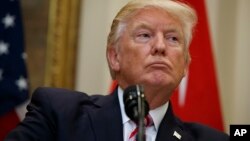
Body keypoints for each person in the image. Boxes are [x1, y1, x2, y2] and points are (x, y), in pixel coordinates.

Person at [5, 0, 229, 140]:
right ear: (114, 57)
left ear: (185, 66)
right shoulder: (59, 114)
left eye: (172, 38)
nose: (160, 46)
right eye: (145, 35)